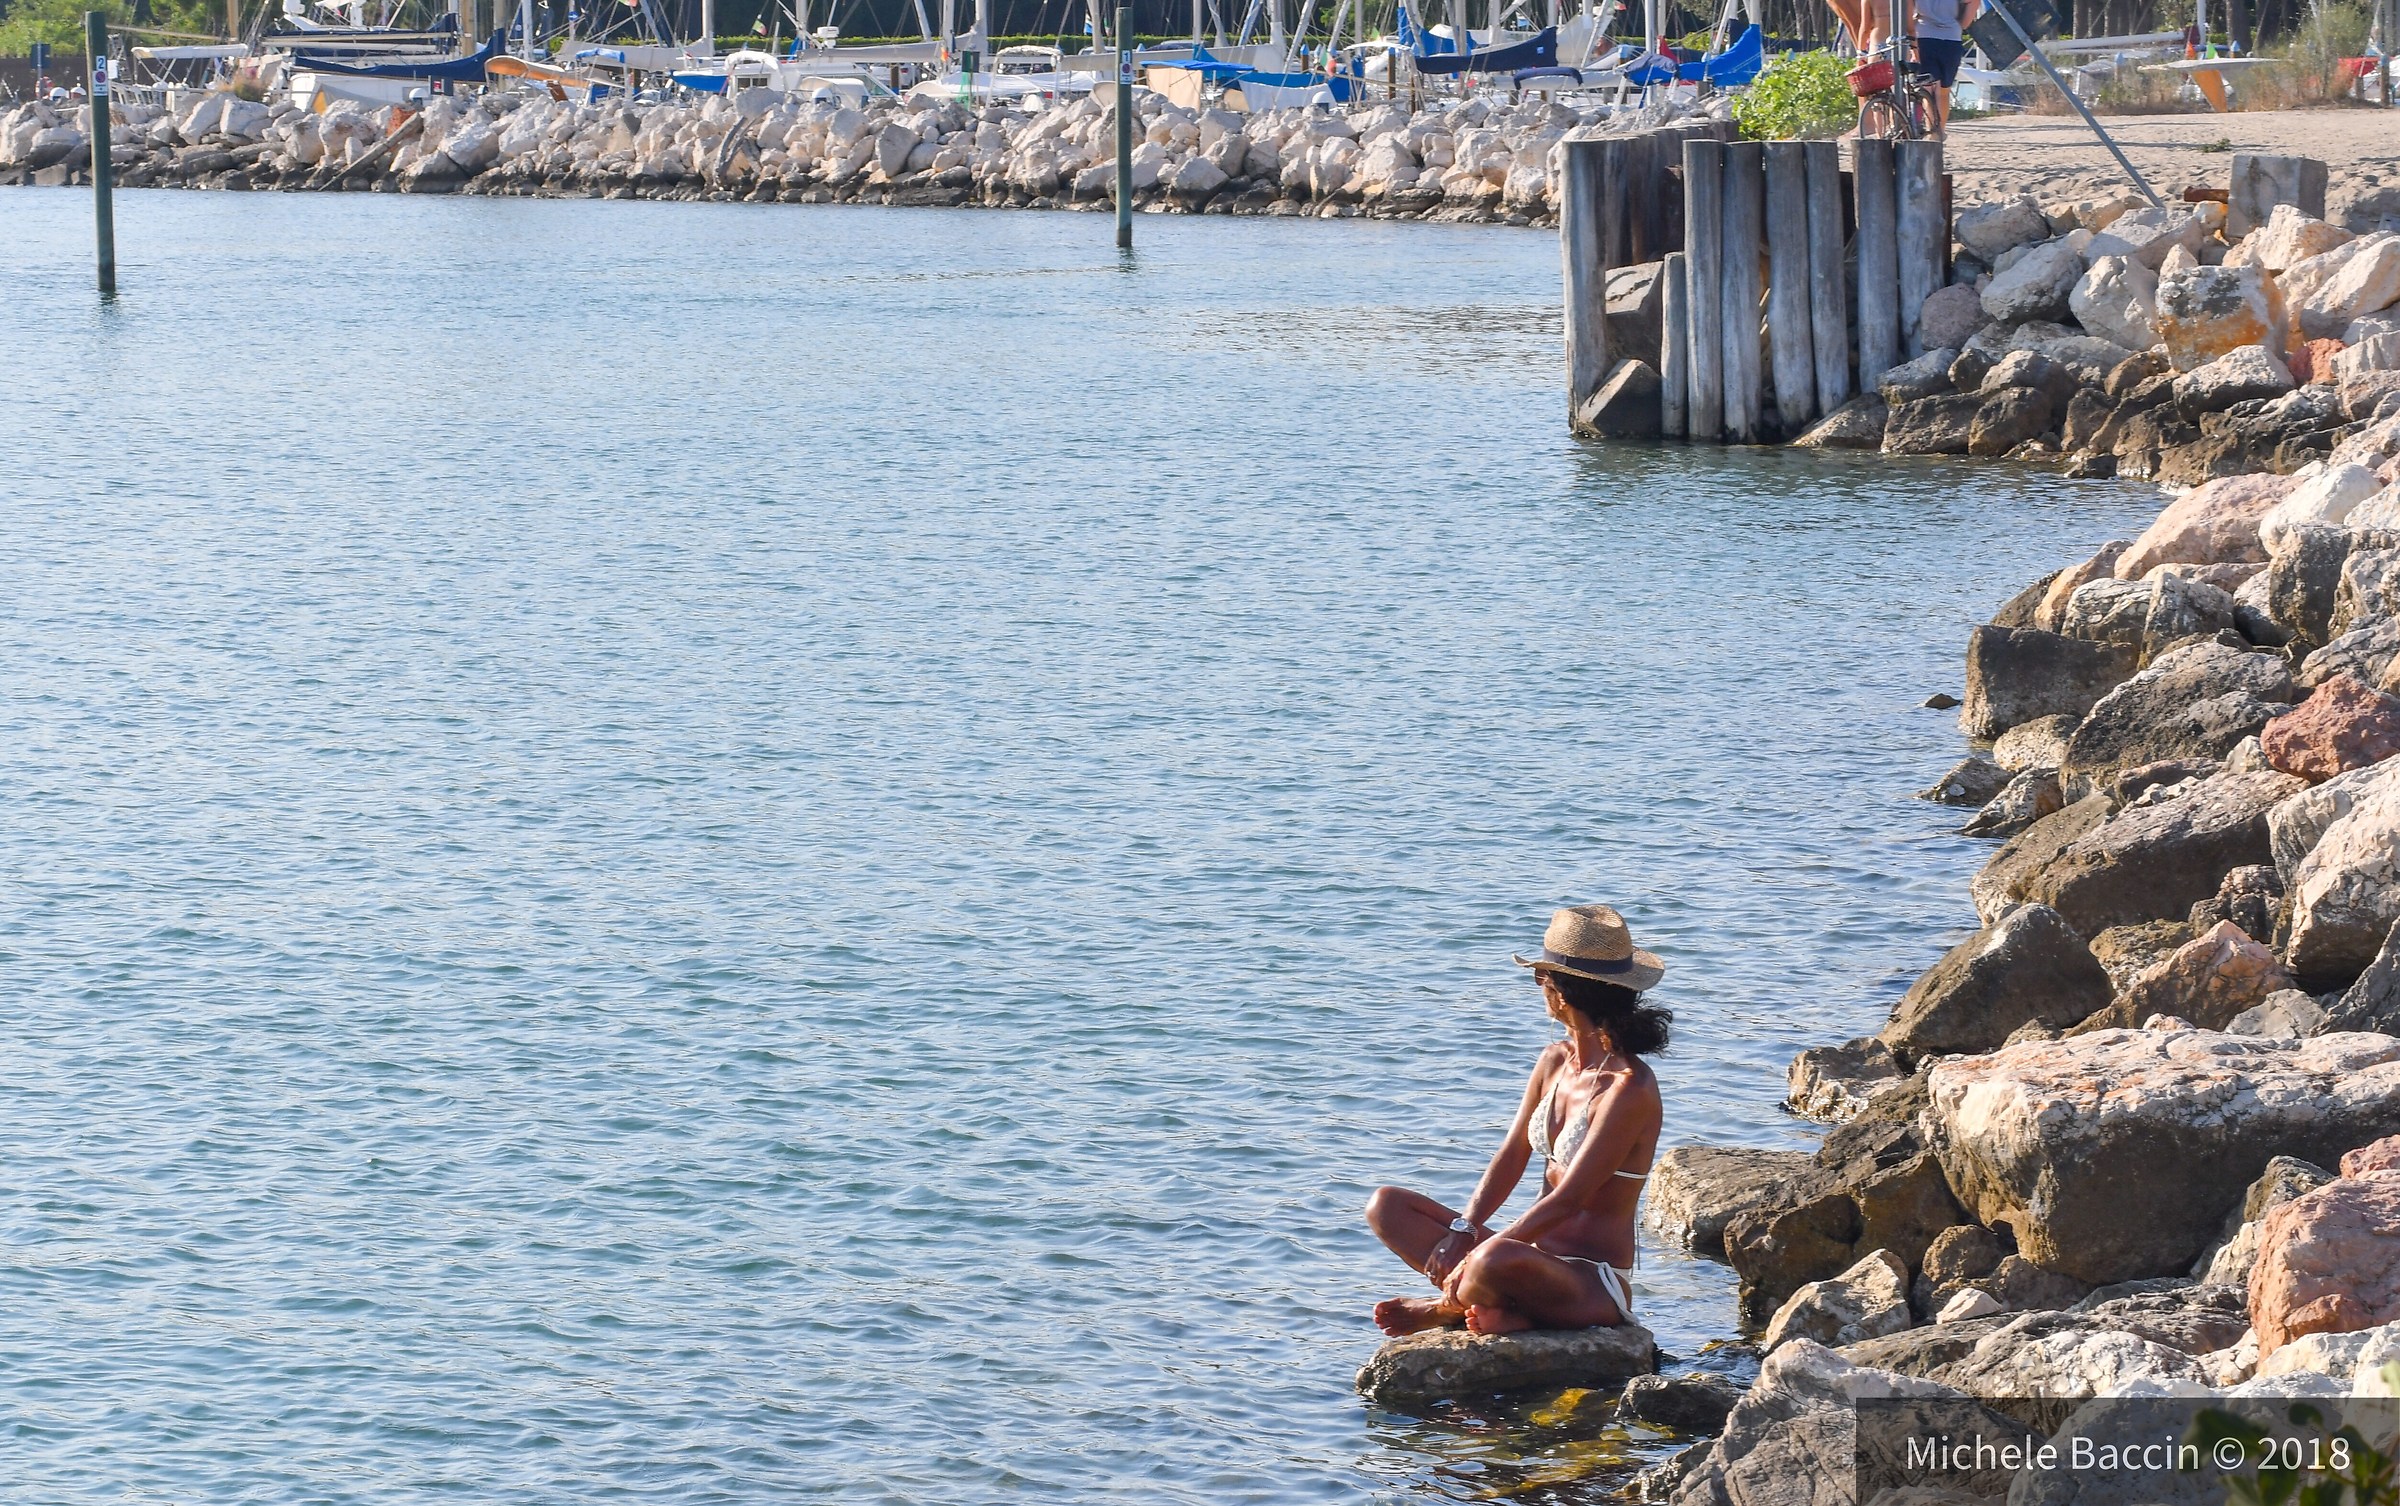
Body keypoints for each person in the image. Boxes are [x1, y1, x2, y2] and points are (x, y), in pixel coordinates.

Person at [1364, 904, 1668, 1337]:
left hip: (1590, 1283)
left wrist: (1478, 1253)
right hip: (1531, 1259)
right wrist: (1463, 1231)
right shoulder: (1555, 1061)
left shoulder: (1629, 1088)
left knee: (1492, 1259)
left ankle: (1447, 1308)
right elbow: (1512, 1154)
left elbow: (1570, 1200)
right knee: (1387, 1206)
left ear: (1560, 992)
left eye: (1540, 977)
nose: (1537, 986)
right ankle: (1504, 1306)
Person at [1911, 0, 1979, 133]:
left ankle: (1930, 127)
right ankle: (1940, 131)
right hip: (1951, 37)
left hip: (1924, 35)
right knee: (1943, 90)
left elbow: (1906, 10)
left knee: (1927, 87)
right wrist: (1961, 25)